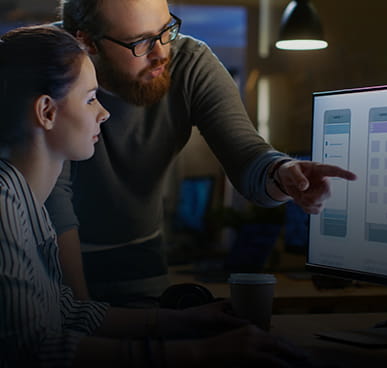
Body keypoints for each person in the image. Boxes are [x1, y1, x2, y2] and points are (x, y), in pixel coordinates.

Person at [0, 25, 306, 368]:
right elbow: (31, 352)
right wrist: (199, 354)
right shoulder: (3, 205)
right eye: (90, 99)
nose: (104, 112)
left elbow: (65, 312)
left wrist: (186, 321)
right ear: (47, 112)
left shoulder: (26, 203)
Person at [47, 0, 357, 304]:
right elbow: (55, 203)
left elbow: (245, 152)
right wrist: (82, 314)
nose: (161, 54)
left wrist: (282, 173)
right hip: (50, 260)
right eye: (140, 42)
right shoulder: (44, 62)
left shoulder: (190, 61)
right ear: (87, 41)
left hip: (140, 257)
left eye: (166, 29)